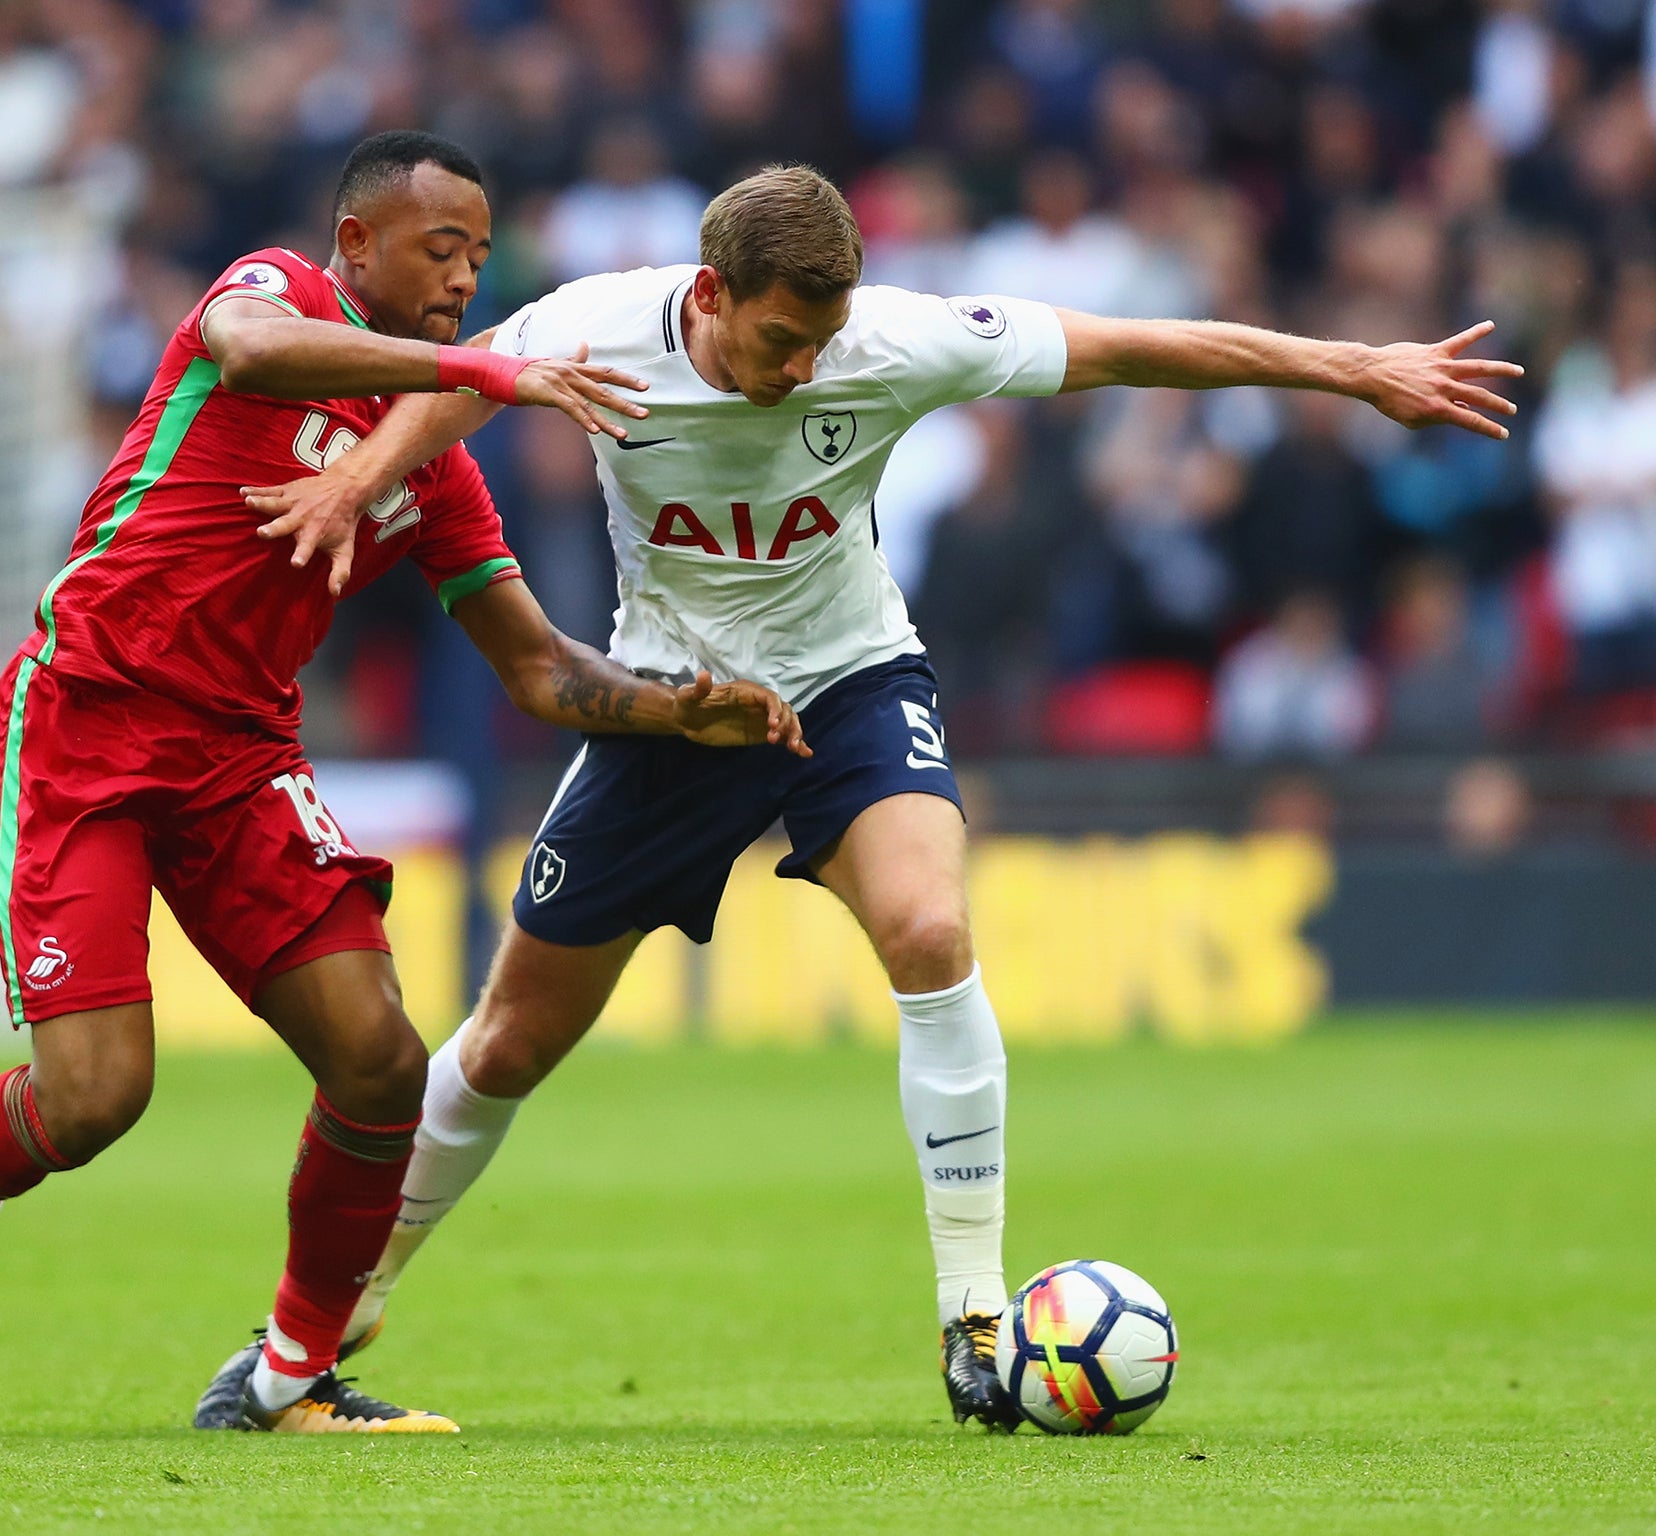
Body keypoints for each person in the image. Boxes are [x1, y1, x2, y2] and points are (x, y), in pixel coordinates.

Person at [244, 163, 1521, 1429]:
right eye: (782, 340)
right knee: (513, 1037)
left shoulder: (895, 338)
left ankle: (974, 1322)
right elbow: (454, 398)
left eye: (823, 342)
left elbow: (1140, 346)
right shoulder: (595, 325)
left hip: (849, 680)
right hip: (671, 703)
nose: (804, 368)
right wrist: (355, 481)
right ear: (709, 294)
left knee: (929, 931)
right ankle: (347, 1301)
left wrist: (1357, 368)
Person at [0, 131, 807, 1438]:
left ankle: (289, 1377)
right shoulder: (273, 295)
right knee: (98, 1096)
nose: (464, 280)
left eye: (482, 261)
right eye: (444, 252)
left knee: (382, 1063)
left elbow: (538, 669)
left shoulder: (432, 466)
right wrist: (479, 366)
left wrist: (679, 712)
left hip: (239, 758)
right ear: (361, 242)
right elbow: (255, 352)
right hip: (84, 725)